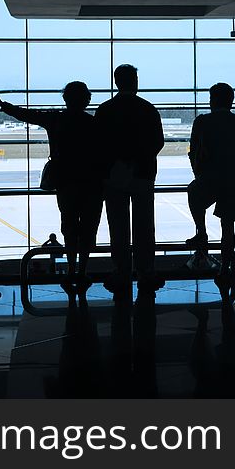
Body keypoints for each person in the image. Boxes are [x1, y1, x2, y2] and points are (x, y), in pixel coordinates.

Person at [0, 82, 102, 291]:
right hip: (92, 182)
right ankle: (82, 270)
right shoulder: (94, 123)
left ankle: (70, 269)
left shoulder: (56, 119)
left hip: (65, 181)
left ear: (65, 99)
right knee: (88, 227)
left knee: (69, 224)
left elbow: (25, 114)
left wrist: (3, 105)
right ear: (87, 100)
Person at [185, 84, 235, 293]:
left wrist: (199, 174)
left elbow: (193, 151)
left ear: (212, 100)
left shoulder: (202, 121)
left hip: (211, 177)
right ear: (230, 101)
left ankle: (201, 232)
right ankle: (224, 269)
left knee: (194, 193)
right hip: (234, 179)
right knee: (228, 227)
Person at [93, 64, 164, 298]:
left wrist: (116, 162)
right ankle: (145, 272)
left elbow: (99, 144)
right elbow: (157, 142)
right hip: (142, 173)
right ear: (134, 81)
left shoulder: (105, 110)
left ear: (116, 82)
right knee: (144, 225)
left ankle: (121, 272)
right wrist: (137, 159)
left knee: (118, 226)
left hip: (114, 175)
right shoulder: (147, 109)